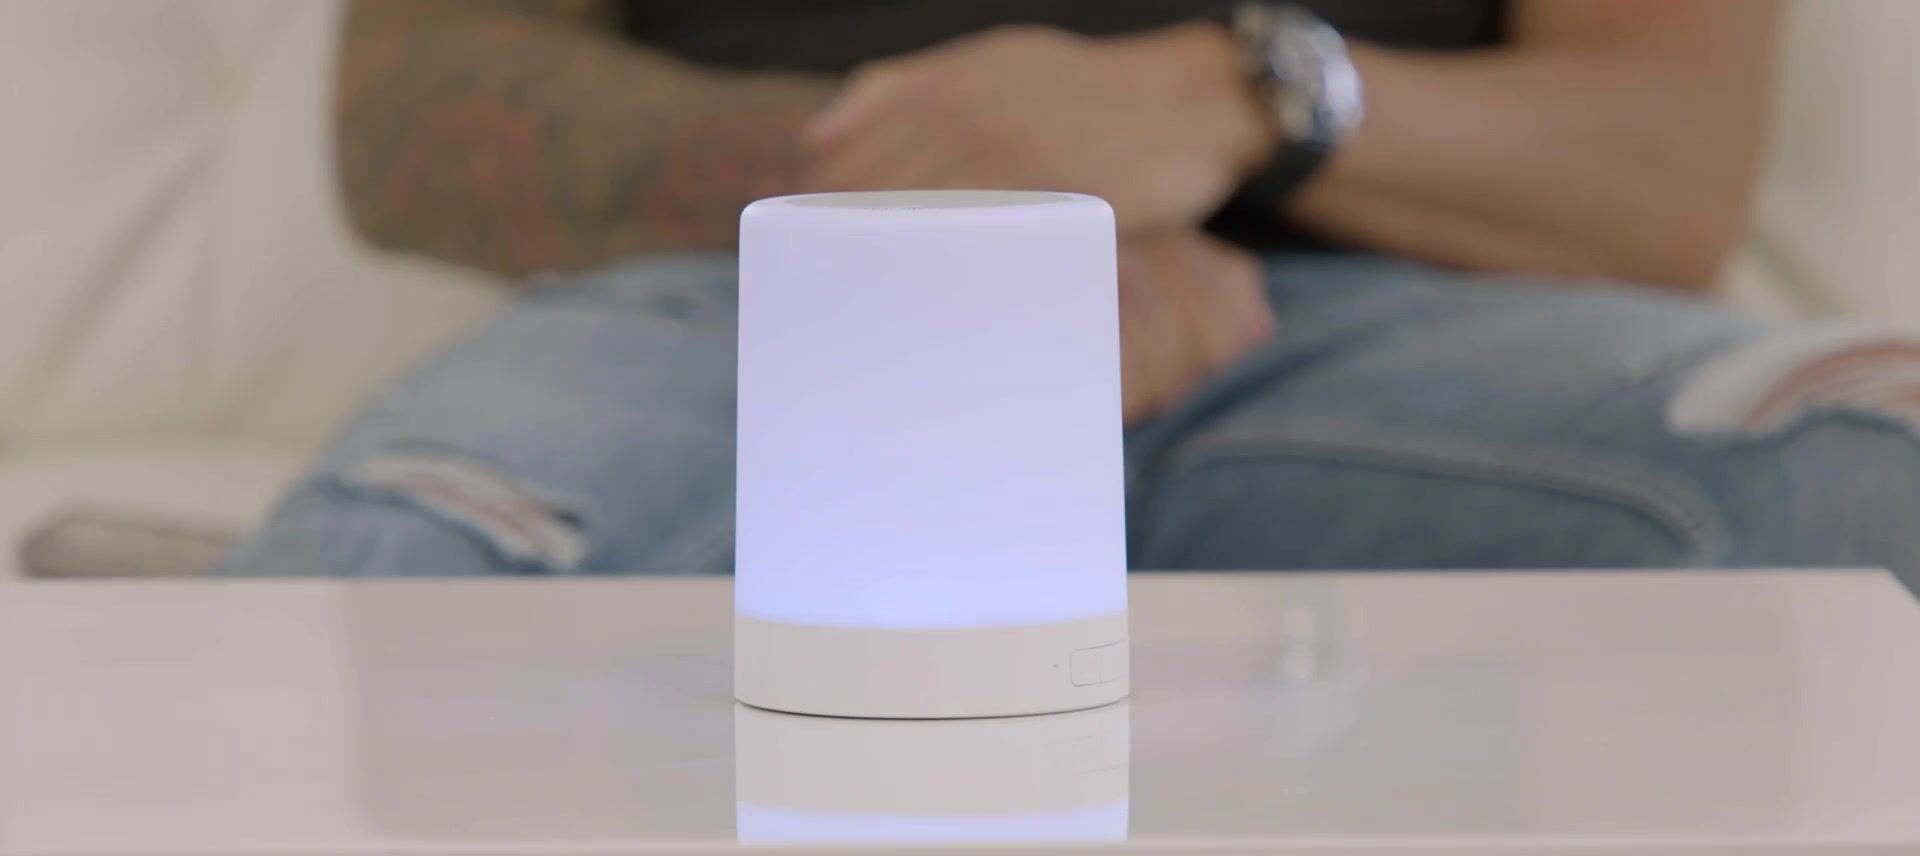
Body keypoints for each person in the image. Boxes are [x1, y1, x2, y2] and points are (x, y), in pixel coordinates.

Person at [221, 0, 1920, 591]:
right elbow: (408, 112)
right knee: (373, 586)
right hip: (754, 294)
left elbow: (1661, 172)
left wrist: (1224, 97)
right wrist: (967, 208)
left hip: (1402, 326)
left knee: (1875, 473)